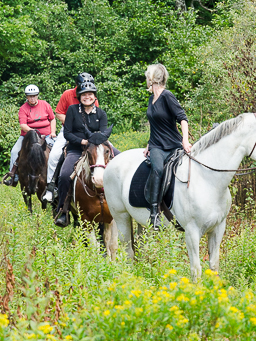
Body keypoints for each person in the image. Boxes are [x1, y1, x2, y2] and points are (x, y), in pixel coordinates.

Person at [55, 81, 119, 227]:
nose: (87, 97)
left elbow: (103, 135)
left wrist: (94, 144)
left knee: (122, 160)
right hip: (77, 148)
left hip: (98, 149)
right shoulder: (72, 110)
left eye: (90, 94)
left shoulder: (101, 113)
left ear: (94, 97)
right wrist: (83, 142)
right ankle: (63, 210)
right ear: (79, 96)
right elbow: (67, 133)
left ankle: (124, 203)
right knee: (65, 175)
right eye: (84, 94)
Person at [143, 64, 192, 230]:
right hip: (157, 146)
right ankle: (154, 212)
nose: (146, 80)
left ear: (152, 79)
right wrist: (149, 144)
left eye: (147, 77)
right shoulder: (151, 99)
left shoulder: (167, 96)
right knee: (157, 169)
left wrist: (185, 141)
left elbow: (182, 118)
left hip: (173, 144)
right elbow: (155, 125)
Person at [42, 72, 99, 203]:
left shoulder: (91, 96)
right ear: (76, 85)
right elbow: (59, 113)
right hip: (68, 129)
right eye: (81, 85)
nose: (85, 87)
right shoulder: (68, 94)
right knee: (54, 155)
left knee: (109, 149)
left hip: (89, 130)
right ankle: (51, 188)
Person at [3, 84, 56, 186]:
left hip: (46, 134)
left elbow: (52, 118)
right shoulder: (23, 108)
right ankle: (14, 176)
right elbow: (23, 125)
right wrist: (33, 131)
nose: (32, 98)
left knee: (58, 152)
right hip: (28, 135)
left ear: (37, 95)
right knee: (14, 151)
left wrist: (53, 132)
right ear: (26, 97)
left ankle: (56, 176)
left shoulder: (45, 104)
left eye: (34, 95)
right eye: (30, 96)